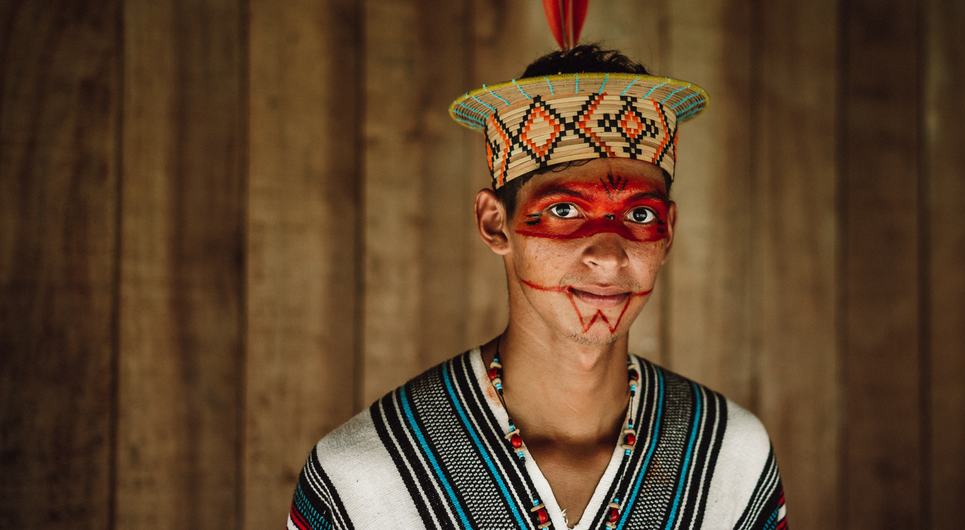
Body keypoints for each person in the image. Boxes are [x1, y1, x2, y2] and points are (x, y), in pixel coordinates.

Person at [287, 44, 789, 530]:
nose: (608, 254)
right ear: (494, 224)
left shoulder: (731, 460)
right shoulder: (365, 480)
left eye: (640, 215)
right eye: (564, 211)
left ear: (669, 232)